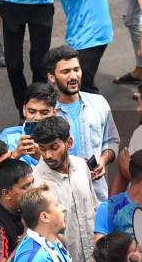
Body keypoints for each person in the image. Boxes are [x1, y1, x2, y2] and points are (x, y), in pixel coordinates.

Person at [41, 45, 119, 195]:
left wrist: (103, 160)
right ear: (52, 77)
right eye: (65, 72)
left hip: (97, 195)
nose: (73, 76)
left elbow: (112, 141)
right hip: (60, 198)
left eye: (76, 69)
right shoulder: (45, 113)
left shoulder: (99, 103)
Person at [31, 115, 99, 262]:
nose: (48, 155)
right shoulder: (36, 184)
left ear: (68, 143)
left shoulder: (81, 166)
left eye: (54, 148)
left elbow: (94, 209)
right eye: (42, 148)